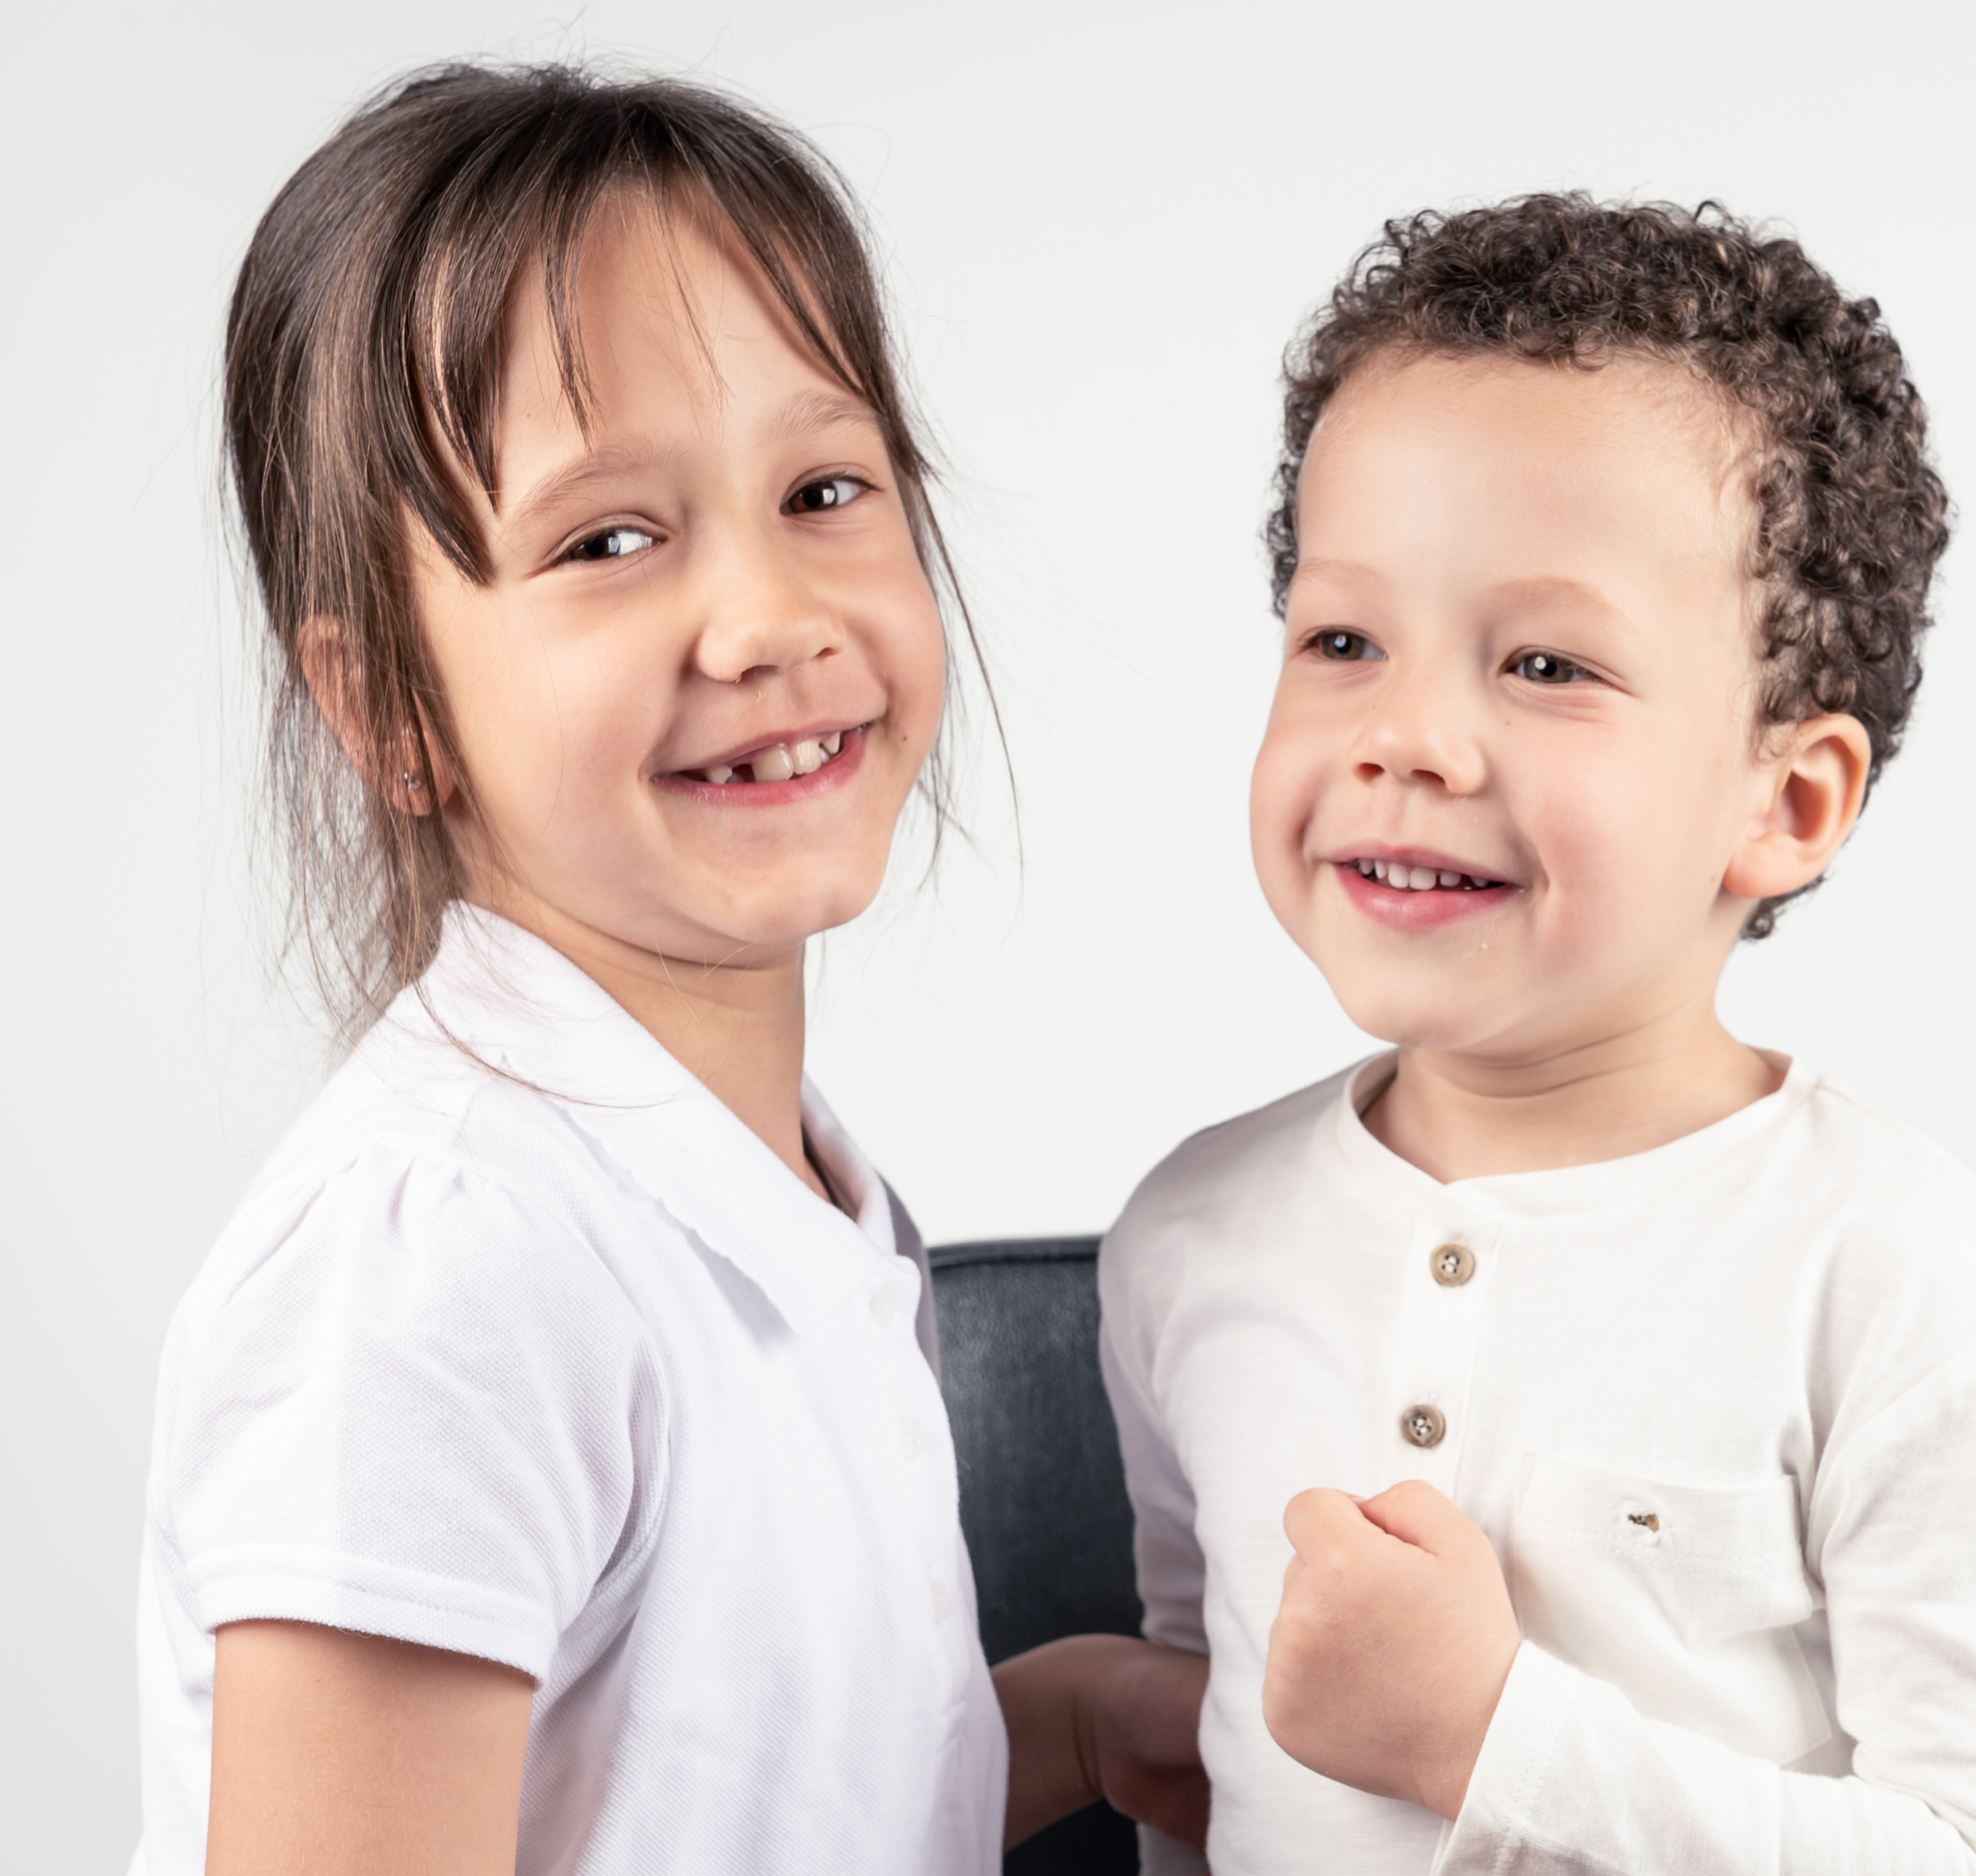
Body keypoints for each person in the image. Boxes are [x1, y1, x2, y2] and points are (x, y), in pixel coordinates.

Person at [136, 63, 1205, 1876]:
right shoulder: (443, 1260)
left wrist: (1078, 1716)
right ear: (390, 706)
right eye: (609, 539)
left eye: (824, 486)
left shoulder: (765, 1196)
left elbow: (728, 1794)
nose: (774, 615)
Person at [1099, 195, 1976, 1875]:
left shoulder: (1894, 1276)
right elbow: (1223, 1753)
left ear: (1786, 798)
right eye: (1345, 638)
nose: (1411, 735)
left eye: (1546, 661)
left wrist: (1494, 1739)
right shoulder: (1188, 1235)